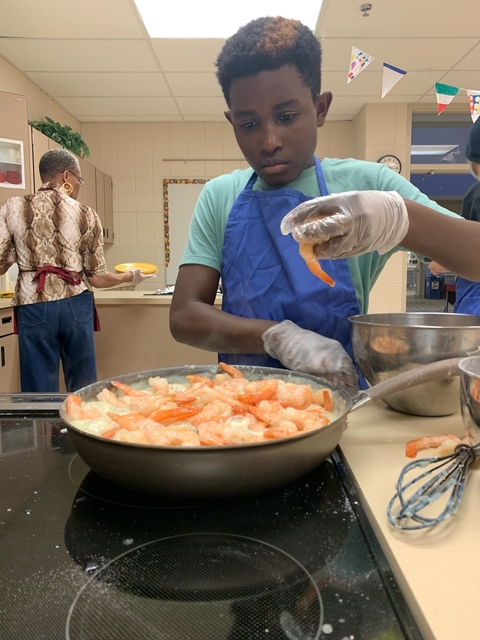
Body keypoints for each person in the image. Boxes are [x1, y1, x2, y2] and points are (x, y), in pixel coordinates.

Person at [170, 16, 480, 396]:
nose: (269, 140)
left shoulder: (368, 184)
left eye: (286, 117)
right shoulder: (220, 195)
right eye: (249, 124)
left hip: (340, 402)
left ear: (320, 108)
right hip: (240, 409)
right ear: (231, 121)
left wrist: (397, 217)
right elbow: (185, 316)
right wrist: (276, 337)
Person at [0, 148, 154, 392]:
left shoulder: (12, 208)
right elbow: (98, 279)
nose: (79, 185)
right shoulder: (86, 214)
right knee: (82, 384)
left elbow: (0, 264)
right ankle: (81, 427)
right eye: (78, 179)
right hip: (75, 303)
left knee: (37, 388)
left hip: (33, 302)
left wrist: (22, 255)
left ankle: (43, 430)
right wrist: (131, 276)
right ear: (65, 176)